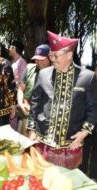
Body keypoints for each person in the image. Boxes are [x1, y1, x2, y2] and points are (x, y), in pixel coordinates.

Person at [27, 31, 97, 169]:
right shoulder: (43, 74)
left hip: (71, 145)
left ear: (69, 55)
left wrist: (84, 133)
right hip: (43, 142)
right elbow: (35, 103)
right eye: (51, 55)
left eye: (56, 55)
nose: (52, 59)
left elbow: (93, 108)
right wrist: (31, 129)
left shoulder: (87, 78)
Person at [17, 44, 51, 136]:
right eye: (36, 59)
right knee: (24, 144)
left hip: (45, 119)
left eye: (42, 60)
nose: (39, 62)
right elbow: (20, 88)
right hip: (27, 114)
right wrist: (20, 103)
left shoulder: (55, 73)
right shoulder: (29, 68)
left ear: (50, 58)